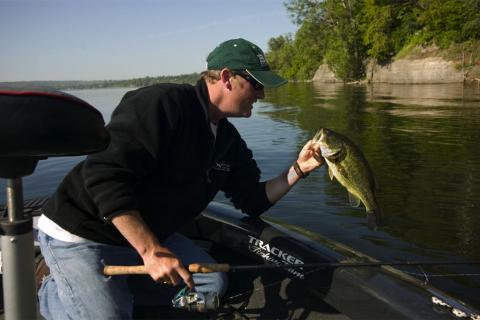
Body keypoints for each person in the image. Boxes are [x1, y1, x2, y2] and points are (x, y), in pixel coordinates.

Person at [36, 38, 324, 319]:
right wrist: (151, 251)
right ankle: (54, 288)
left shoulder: (228, 140)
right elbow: (103, 176)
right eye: (257, 85)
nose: (262, 95)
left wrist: (298, 169)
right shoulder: (161, 104)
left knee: (210, 284)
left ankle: (109, 292)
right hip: (83, 235)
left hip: (148, 235)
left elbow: (252, 200)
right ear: (226, 77)